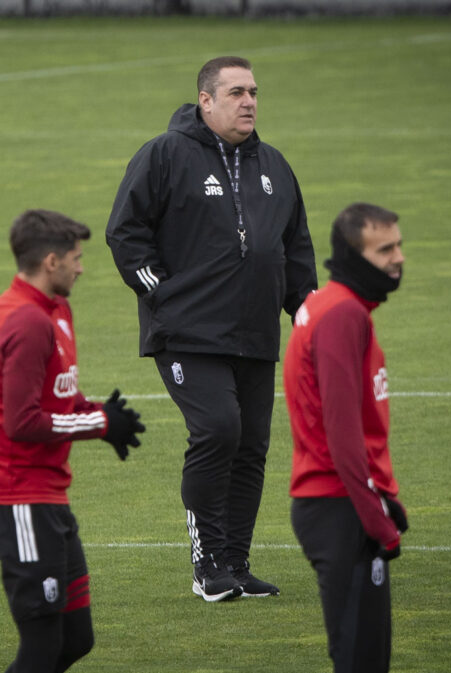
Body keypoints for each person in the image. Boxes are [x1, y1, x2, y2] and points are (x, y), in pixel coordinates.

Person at [105, 56, 316, 601]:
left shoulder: (274, 165)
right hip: (187, 331)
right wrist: (161, 293)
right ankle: (206, 566)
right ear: (206, 100)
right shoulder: (164, 154)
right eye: (236, 92)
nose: (249, 102)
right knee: (219, 428)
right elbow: (125, 233)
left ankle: (235, 566)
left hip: (254, 332)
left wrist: (306, 308)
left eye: (253, 92)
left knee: (250, 445)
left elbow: (295, 245)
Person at [0, 209, 145, 672]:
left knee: (76, 639)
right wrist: (100, 425)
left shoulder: (54, 311)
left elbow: (58, 397)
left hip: (49, 499)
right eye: (76, 257)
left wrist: (97, 413)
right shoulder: (27, 321)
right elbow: (23, 422)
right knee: (42, 645)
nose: (82, 267)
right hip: (21, 502)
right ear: (51, 261)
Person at [283, 203, 409, 673]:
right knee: (361, 661)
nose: (398, 258)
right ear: (354, 256)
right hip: (341, 508)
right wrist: (378, 520)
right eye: (385, 249)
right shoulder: (342, 316)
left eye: (398, 245)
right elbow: (342, 433)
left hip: (339, 503)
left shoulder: (329, 305)